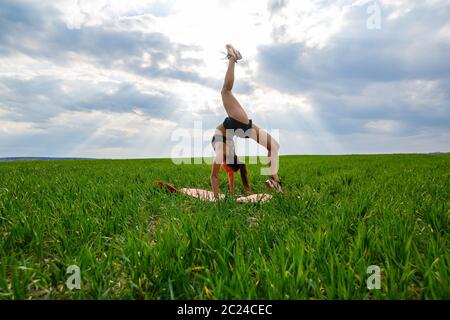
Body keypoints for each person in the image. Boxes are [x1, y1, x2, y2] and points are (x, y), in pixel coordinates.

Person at [210, 44, 282, 200]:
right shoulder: (227, 156)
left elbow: (214, 177)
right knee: (274, 146)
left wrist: (216, 200)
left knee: (225, 91)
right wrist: (240, 193)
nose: (225, 171)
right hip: (237, 126)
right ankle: (273, 179)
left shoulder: (221, 154)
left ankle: (231, 58)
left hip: (236, 126)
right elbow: (225, 175)